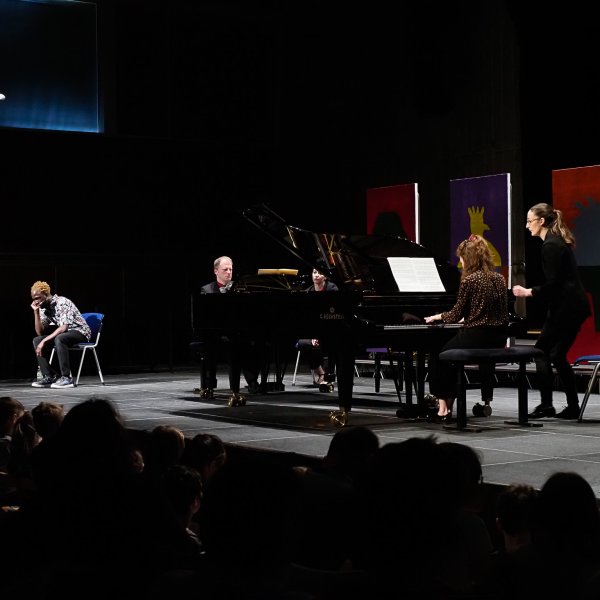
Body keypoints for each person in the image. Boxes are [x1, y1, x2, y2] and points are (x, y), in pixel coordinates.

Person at [513, 203, 591, 420]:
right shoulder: (553, 243)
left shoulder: (550, 246)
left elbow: (555, 285)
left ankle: (547, 405)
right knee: (555, 354)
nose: (527, 226)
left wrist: (529, 292)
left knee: (541, 352)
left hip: (567, 309)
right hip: (570, 308)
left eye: (529, 221)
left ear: (541, 221)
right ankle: (570, 406)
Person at [424, 234, 509, 422]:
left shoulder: (469, 280)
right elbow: (499, 311)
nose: (460, 263)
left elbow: (454, 315)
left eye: (461, 258)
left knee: (439, 354)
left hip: (476, 336)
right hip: (497, 337)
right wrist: (470, 317)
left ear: (468, 258)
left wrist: (436, 316)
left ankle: (443, 408)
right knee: (450, 353)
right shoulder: (499, 278)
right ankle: (449, 405)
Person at [199, 256, 262, 406]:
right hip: (215, 334)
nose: (229, 272)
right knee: (234, 344)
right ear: (216, 271)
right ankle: (221, 387)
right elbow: (206, 319)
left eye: (231, 269)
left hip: (237, 332)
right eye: (225, 269)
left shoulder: (240, 288)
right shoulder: (206, 290)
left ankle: (253, 381)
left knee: (256, 343)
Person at [30, 280, 91, 389]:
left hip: (81, 331)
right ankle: (49, 376)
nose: (35, 301)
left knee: (60, 338)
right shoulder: (44, 308)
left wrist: (45, 341)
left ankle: (67, 378)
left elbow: (64, 327)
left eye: (38, 298)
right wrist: (36, 312)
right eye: (34, 299)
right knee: (37, 340)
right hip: (66, 333)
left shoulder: (62, 302)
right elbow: (40, 332)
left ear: (46, 295)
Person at [297, 268, 339, 387]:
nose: (316, 275)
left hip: (331, 329)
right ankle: (321, 373)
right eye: (314, 272)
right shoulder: (307, 292)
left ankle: (329, 374)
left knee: (325, 342)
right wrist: (312, 337)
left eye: (320, 273)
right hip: (312, 332)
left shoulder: (332, 289)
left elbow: (334, 315)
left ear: (325, 277)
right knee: (301, 343)